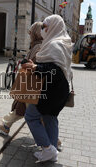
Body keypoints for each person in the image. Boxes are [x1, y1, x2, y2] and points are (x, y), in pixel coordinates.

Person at [22, 15, 72, 162]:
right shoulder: (63, 42)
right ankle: (52, 152)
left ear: (54, 26)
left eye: (45, 26)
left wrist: (36, 67)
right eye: (42, 26)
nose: (43, 29)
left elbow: (53, 71)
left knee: (31, 116)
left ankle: (47, 148)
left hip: (51, 91)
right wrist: (36, 65)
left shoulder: (54, 44)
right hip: (60, 90)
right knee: (50, 119)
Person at [0, 22, 43, 135]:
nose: (30, 35)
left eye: (31, 33)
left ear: (35, 33)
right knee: (21, 107)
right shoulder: (38, 45)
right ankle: (6, 125)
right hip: (30, 85)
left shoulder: (39, 46)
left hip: (32, 84)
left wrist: (25, 63)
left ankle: (54, 141)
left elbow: (34, 65)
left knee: (35, 114)